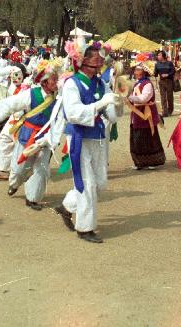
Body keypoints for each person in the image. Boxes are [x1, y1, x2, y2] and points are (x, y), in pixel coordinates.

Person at [54, 41, 120, 243]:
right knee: (87, 184)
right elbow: (73, 113)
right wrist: (101, 103)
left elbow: (111, 114)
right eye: (95, 62)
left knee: (100, 183)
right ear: (82, 63)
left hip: (99, 137)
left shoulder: (101, 83)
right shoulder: (72, 83)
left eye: (101, 62)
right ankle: (85, 228)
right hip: (79, 138)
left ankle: (66, 207)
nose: (99, 66)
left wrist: (117, 105)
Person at [0, 61, 59, 209]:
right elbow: (10, 104)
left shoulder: (60, 98)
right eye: (54, 79)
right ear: (44, 81)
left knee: (41, 168)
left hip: (45, 138)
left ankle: (33, 198)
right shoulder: (31, 94)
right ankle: (14, 183)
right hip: (28, 134)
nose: (57, 82)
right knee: (19, 168)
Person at [126, 54, 165, 169]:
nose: (135, 72)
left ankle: (151, 161)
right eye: (135, 70)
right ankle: (140, 162)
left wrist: (129, 97)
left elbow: (143, 99)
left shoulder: (147, 84)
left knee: (148, 137)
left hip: (145, 114)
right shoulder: (138, 83)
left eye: (137, 70)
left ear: (143, 72)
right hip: (137, 114)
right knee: (137, 138)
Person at [154, 50, 175, 117]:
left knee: (169, 97)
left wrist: (167, 75)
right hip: (162, 82)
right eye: (158, 55)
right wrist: (153, 73)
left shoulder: (169, 63)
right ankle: (164, 112)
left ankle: (170, 110)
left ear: (163, 56)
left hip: (169, 81)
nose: (158, 56)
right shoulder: (157, 64)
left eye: (159, 55)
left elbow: (173, 71)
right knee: (163, 97)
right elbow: (156, 74)